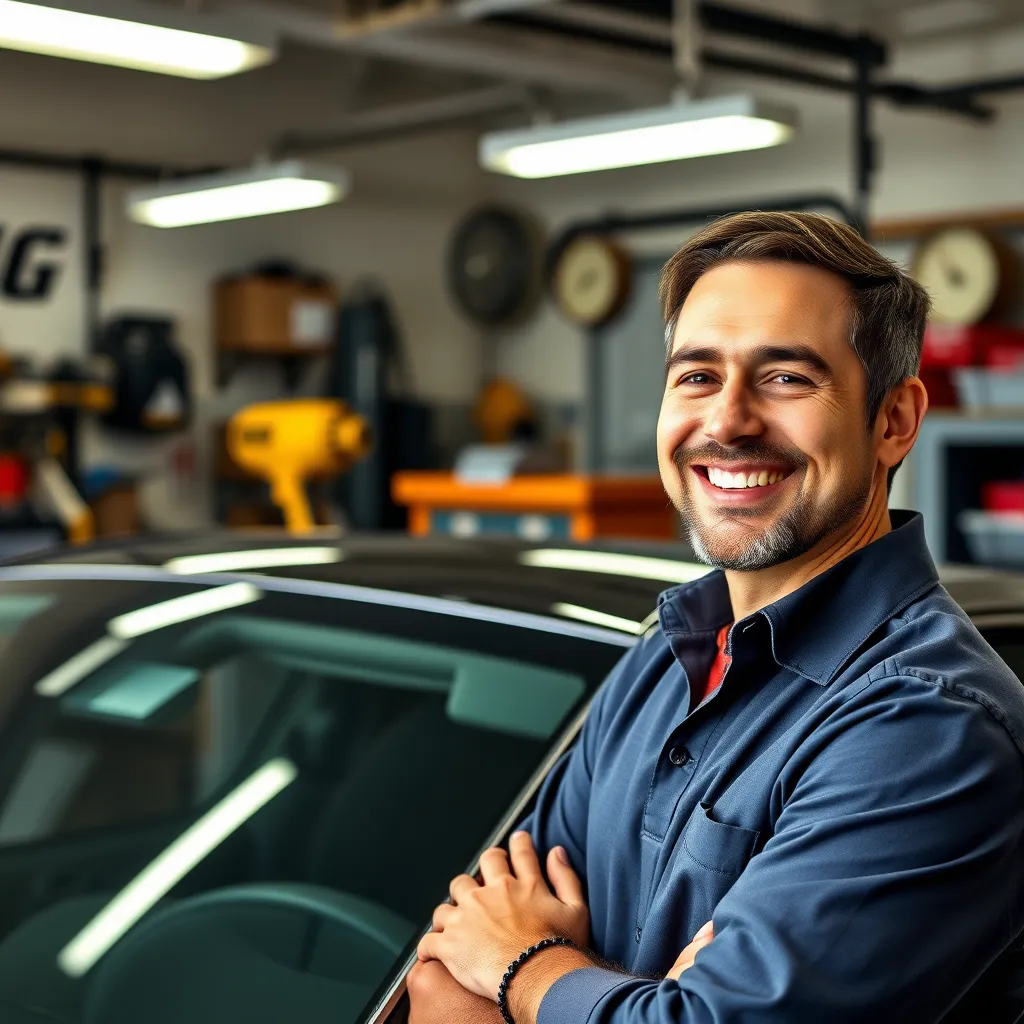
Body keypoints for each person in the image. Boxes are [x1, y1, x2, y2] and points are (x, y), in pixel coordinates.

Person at [407, 211, 1024, 1023]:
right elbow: (445, 970)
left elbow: (500, 955)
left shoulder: (927, 724)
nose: (728, 421)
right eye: (697, 376)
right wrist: (642, 998)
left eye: (787, 378)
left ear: (893, 421)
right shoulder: (660, 657)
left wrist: (525, 967)